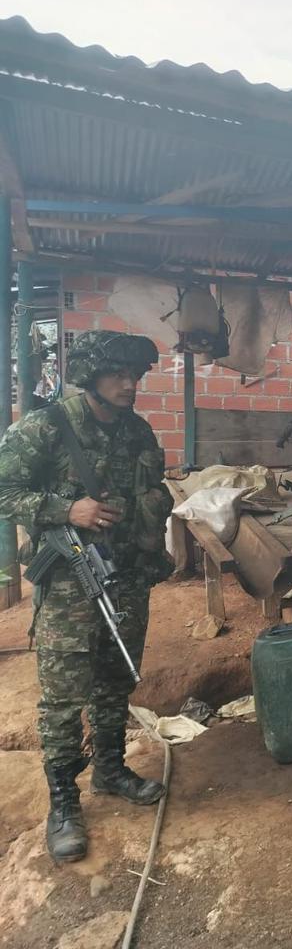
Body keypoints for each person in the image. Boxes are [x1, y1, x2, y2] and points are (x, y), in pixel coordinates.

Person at [0, 331, 174, 864]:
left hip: (126, 579)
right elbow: (6, 489)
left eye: (136, 376)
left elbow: (156, 489)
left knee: (114, 681)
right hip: (69, 589)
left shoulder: (137, 430)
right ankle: (63, 802)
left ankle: (110, 768)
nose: (130, 385)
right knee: (61, 699)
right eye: (119, 375)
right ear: (90, 377)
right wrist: (63, 509)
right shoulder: (46, 427)